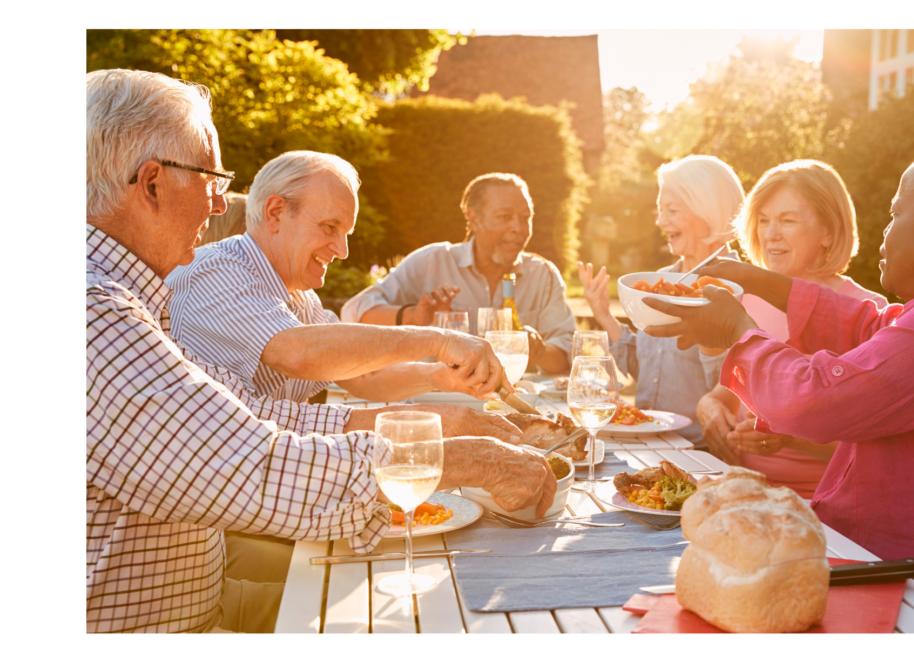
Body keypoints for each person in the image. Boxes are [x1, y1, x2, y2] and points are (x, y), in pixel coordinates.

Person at [86, 69, 556, 635]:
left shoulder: (136, 296)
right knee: (423, 609)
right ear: (153, 184)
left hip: (199, 591)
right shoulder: (103, 310)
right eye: (211, 179)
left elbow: (257, 418)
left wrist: (441, 407)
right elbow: (257, 462)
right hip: (167, 617)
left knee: (422, 605)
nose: (219, 205)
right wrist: (456, 454)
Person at [643, 145, 914, 628]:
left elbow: (817, 400)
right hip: (887, 570)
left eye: (895, 214)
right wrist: (760, 281)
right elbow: (871, 324)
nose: (886, 231)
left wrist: (737, 334)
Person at [167, 151, 516, 406]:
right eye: (330, 227)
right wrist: (438, 341)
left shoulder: (299, 299)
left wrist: (439, 377)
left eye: (346, 232)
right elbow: (298, 353)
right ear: (275, 213)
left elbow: (362, 376)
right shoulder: (215, 269)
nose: (343, 250)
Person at [696, 160, 888, 497]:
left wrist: (790, 438)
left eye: (787, 220)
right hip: (743, 488)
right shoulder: (749, 300)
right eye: (764, 221)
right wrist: (709, 409)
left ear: (829, 231)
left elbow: (875, 445)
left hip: (824, 500)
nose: (770, 234)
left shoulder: (867, 314)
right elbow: (727, 394)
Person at [577, 155, 744, 443]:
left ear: (708, 210)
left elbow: (737, 387)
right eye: (659, 210)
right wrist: (604, 315)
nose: (660, 221)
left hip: (696, 452)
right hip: (645, 441)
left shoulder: (739, 287)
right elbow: (648, 368)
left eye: (672, 210)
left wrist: (710, 342)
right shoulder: (662, 280)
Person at [342, 173, 575, 374]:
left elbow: (567, 353)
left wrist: (540, 351)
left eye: (525, 218)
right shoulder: (432, 262)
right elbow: (355, 312)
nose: (519, 228)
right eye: (504, 217)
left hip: (513, 406)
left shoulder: (543, 276)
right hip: (439, 402)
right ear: (474, 218)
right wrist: (413, 317)